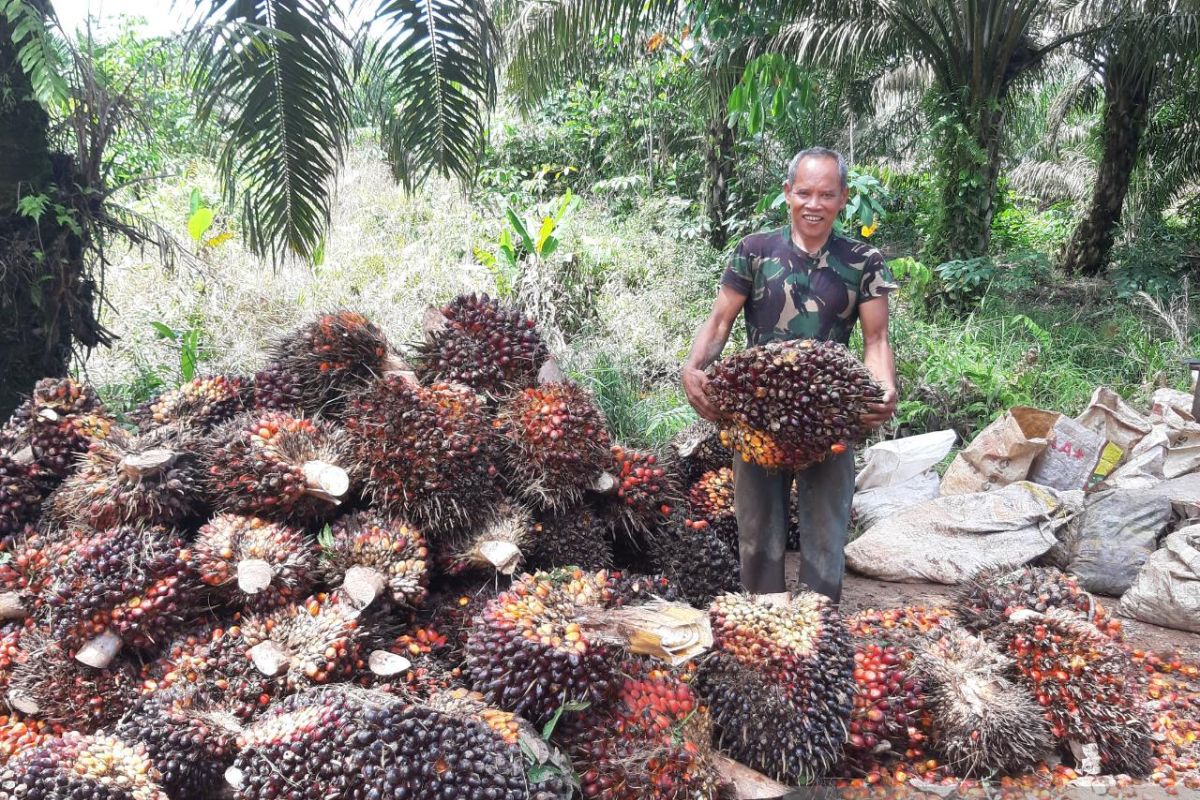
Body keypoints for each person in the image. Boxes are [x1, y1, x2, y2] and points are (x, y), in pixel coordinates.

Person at [680, 146, 898, 603]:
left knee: (826, 534)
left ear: (842, 199)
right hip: (757, 414)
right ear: (787, 194)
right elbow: (720, 321)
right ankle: (765, 623)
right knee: (757, 532)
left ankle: (818, 628)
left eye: (826, 194)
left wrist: (883, 390)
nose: (813, 204)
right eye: (804, 193)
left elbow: (875, 340)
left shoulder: (863, 260)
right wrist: (693, 368)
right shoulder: (756, 250)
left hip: (829, 417)